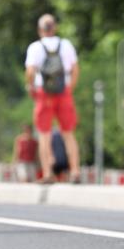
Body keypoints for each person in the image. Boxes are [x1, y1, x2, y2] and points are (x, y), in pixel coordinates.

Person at [24, 14, 81, 183]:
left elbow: (30, 72)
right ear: (55, 28)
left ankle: (48, 173)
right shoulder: (66, 45)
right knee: (69, 134)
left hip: (44, 94)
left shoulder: (35, 47)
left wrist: (31, 87)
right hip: (64, 92)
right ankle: (75, 171)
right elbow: (75, 70)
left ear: (40, 29)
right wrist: (69, 88)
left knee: (44, 135)